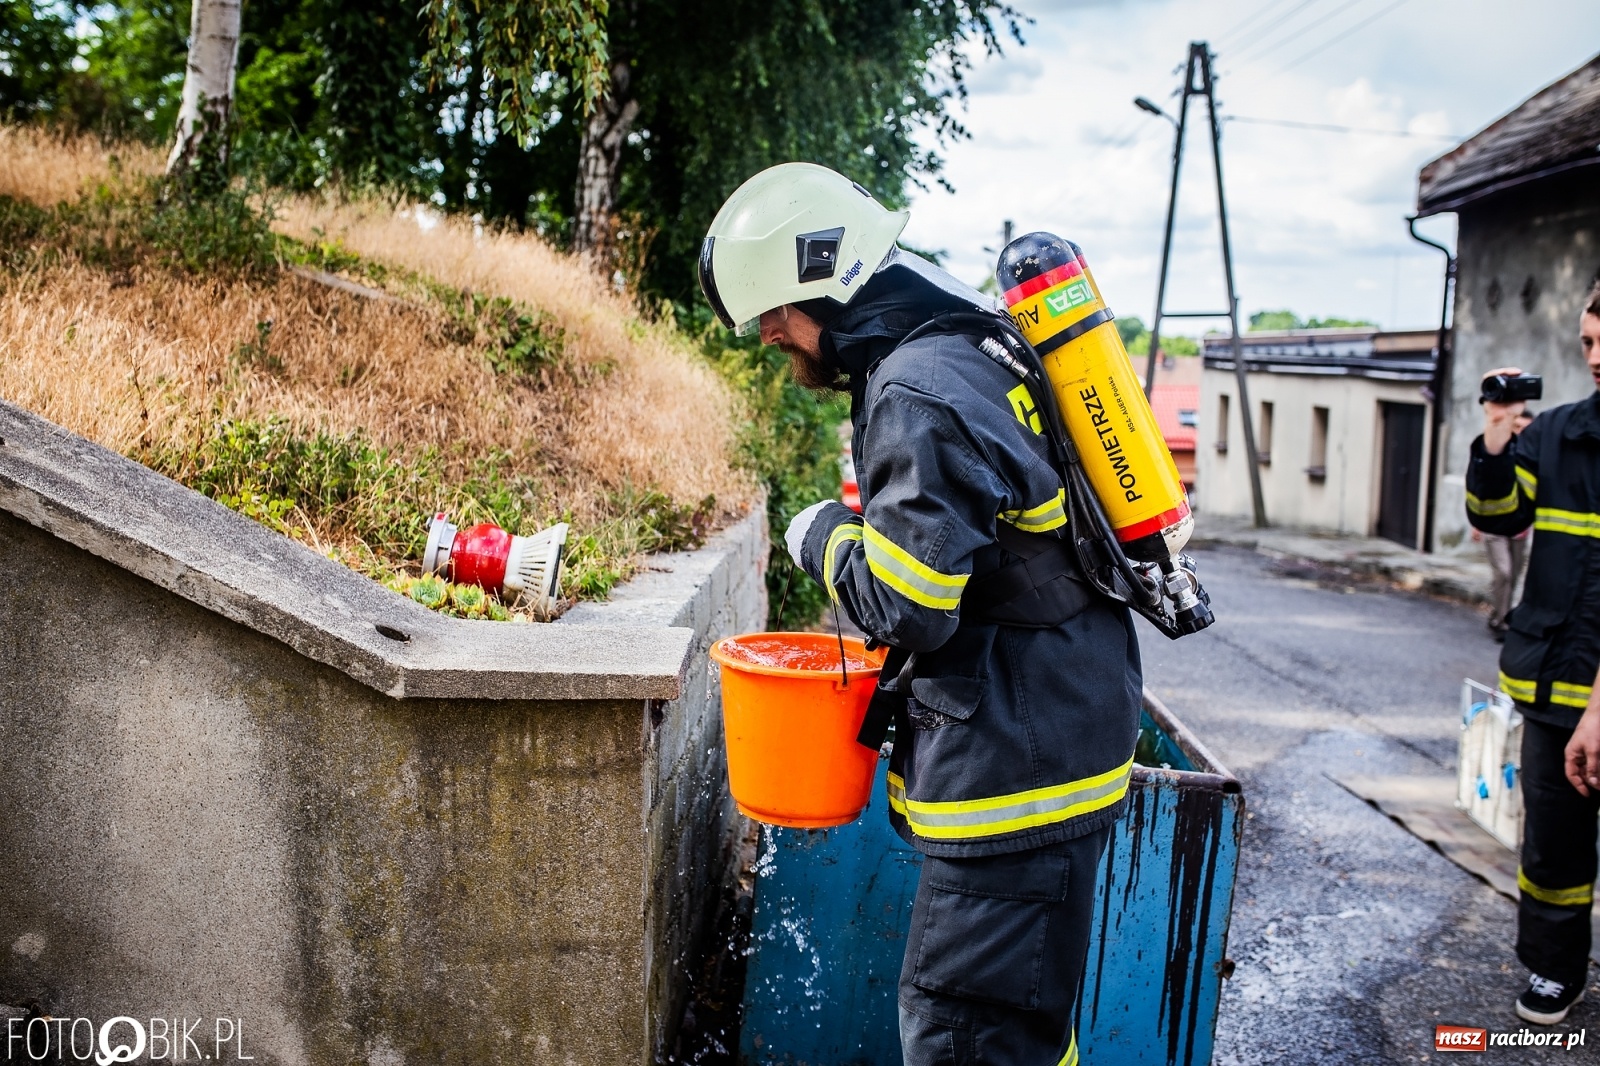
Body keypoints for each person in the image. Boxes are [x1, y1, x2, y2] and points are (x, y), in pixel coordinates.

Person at [699, 162, 1141, 1066]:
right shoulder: (965, 344)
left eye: (776, 316)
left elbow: (909, 608)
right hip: (1060, 726)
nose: (775, 338)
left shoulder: (916, 390)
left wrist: (822, 537)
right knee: (1020, 1035)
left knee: (964, 1034)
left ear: (819, 281)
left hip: (1019, 768)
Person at [1465, 277, 1600, 1025]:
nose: (1596, 356)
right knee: (1553, 848)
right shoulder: (1556, 433)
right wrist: (1495, 435)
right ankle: (1555, 971)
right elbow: (1497, 513)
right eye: (1587, 341)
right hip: (1555, 685)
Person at [1474, 409, 1533, 641]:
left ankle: (1498, 613)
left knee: (1514, 576)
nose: (1521, 432)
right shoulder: (1498, 452)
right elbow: (1480, 484)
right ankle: (1501, 622)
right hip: (1494, 527)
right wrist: (1477, 522)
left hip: (1520, 530)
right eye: (1517, 427)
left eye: (1526, 429)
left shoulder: (1535, 458)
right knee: (1504, 572)